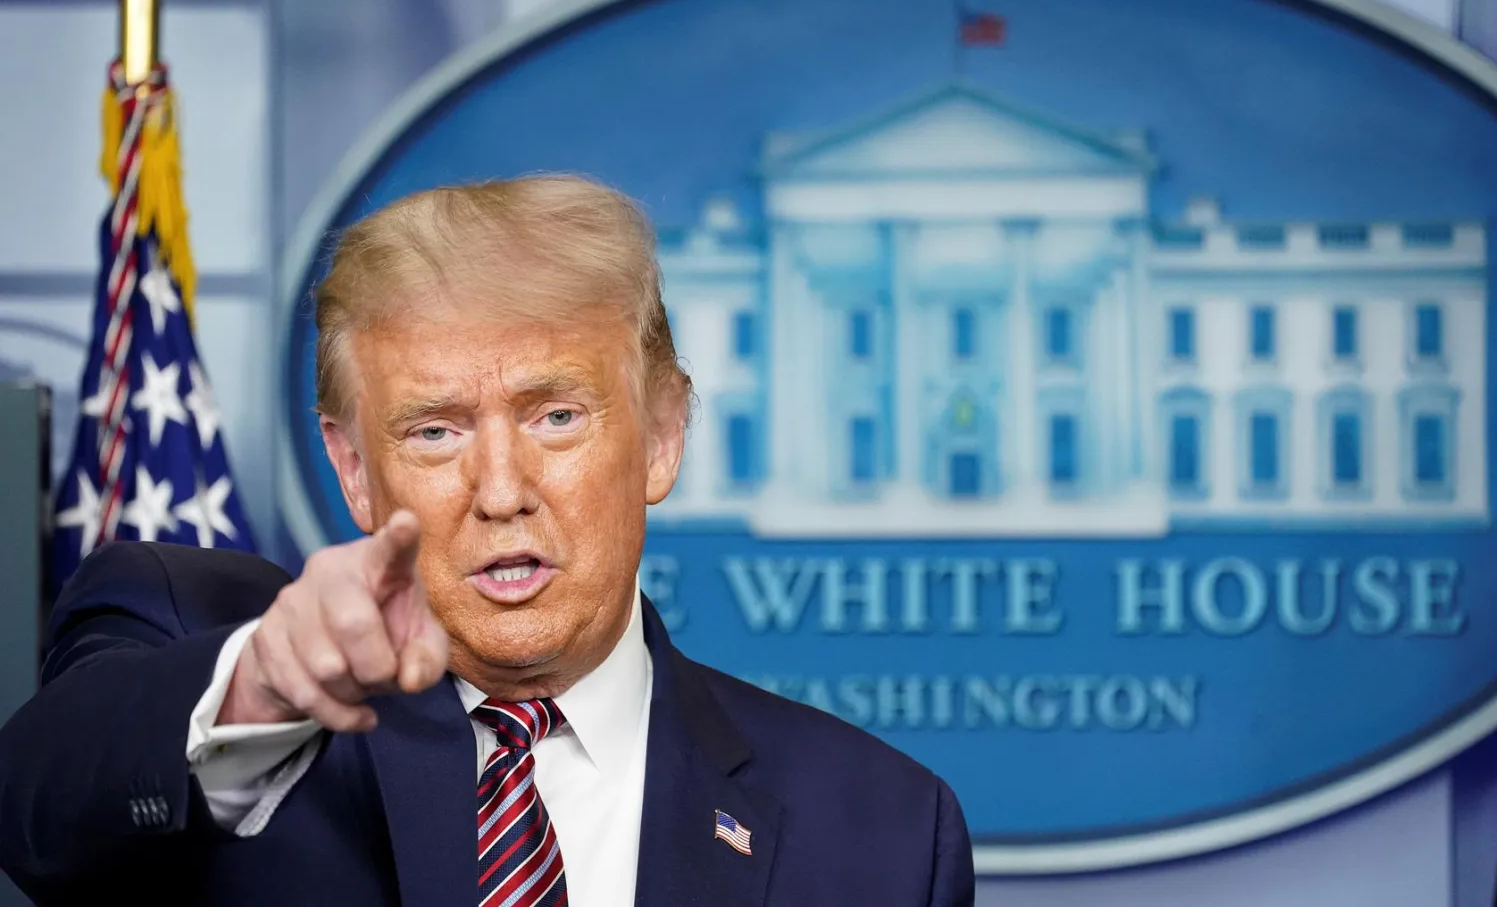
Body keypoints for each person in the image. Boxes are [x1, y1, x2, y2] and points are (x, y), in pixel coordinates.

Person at [0, 175, 975, 906]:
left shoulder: (884, 832)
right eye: (435, 430)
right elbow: (32, 806)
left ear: (663, 435)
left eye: (556, 416)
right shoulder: (202, 647)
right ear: (353, 468)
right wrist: (260, 687)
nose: (501, 491)